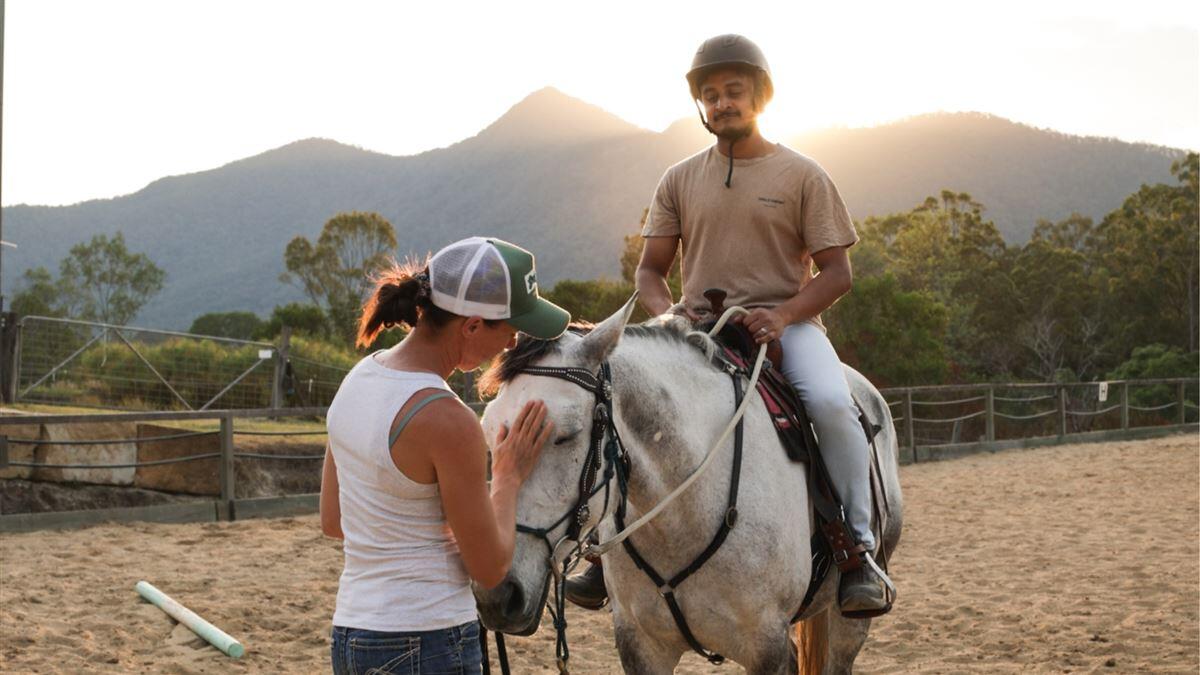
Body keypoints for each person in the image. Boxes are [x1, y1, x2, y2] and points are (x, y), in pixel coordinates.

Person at [565, 34, 888, 614]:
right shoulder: (678, 178)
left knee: (832, 405)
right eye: (711, 95)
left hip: (786, 328)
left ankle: (858, 550)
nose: (721, 103)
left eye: (733, 92)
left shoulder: (803, 174)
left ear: (759, 97)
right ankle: (604, 552)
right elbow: (650, 270)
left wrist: (784, 314)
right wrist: (668, 312)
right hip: (697, 331)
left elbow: (838, 273)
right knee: (626, 404)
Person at [320, 236, 571, 674]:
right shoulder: (448, 419)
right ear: (471, 327)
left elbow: (334, 520)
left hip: (353, 636)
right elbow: (490, 569)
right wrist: (507, 477)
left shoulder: (357, 380)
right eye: (510, 328)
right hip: (427, 638)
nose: (512, 342)